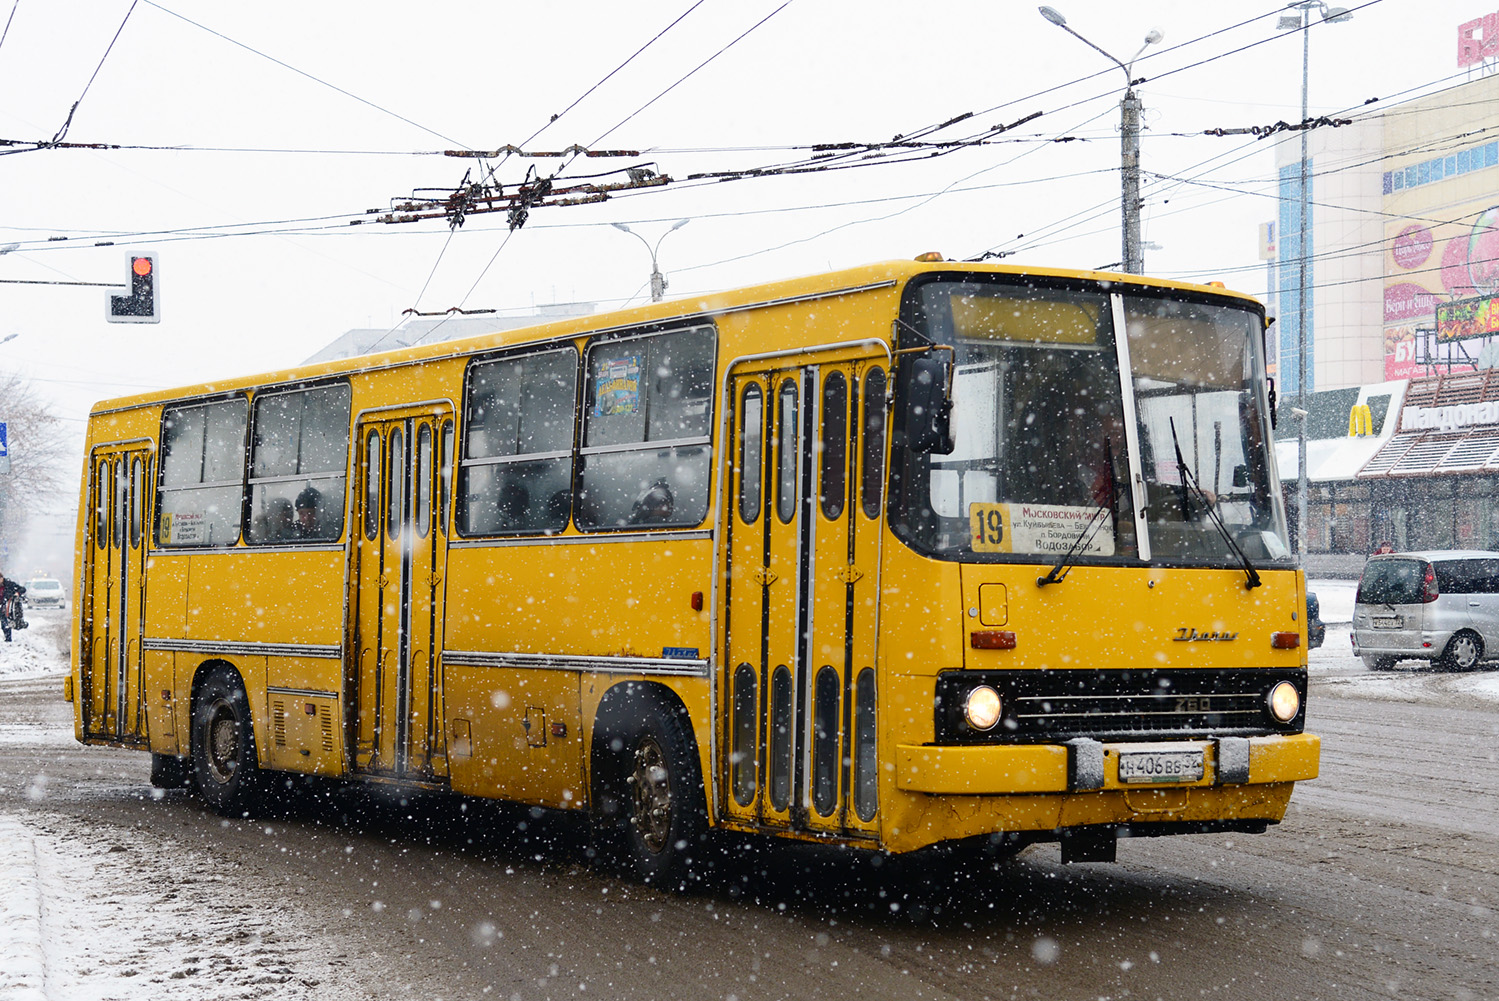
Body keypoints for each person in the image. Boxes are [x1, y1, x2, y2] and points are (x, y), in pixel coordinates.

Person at [0, 570, 26, 642]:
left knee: (5, 624)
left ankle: (8, 639)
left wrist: (17, 593)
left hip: (5, 607)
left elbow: (22, 589)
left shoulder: (9, 585)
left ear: (2, 578)